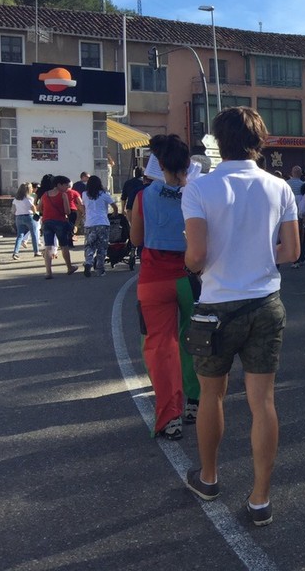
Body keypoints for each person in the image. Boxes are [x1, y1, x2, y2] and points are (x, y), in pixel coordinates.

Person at [181, 107, 299, 527]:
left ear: (217, 140)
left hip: (215, 306)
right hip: (265, 303)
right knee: (262, 401)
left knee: (211, 395)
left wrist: (198, 265)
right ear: (259, 139)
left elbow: (195, 257)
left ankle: (209, 477)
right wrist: (260, 261)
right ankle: (260, 498)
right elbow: (292, 252)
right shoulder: (279, 187)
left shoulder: (198, 189)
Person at [131, 136, 197, 439]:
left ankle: (170, 416)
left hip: (154, 279)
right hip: (190, 277)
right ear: (187, 164)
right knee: (194, 340)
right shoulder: (195, 195)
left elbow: (135, 240)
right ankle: (196, 400)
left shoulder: (144, 196)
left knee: (161, 347)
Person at [38, 176, 78, 279]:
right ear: (59, 184)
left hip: (46, 221)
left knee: (48, 246)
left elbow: (39, 208)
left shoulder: (45, 194)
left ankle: (48, 272)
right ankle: (69, 267)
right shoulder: (63, 195)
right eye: (66, 185)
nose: (67, 187)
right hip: (59, 221)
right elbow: (67, 211)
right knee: (64, 245)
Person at [81, 175, 118, 277]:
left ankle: (88, 262)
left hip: (89, 224)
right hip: (102, 223)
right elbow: (114, 206)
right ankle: (100, 269)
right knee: (102, 247)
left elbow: (83, 206)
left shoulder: (84, 194)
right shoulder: (104, 194)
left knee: (89, 245)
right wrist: (114, 214)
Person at [11, 183, 40, 260]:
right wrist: (36, 214)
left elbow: (13, 210)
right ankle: (36, 251)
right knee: (34, 234)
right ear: (28, 190)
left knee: (20, 236)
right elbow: (33, 207)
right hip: (29, 216)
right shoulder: (29, 198)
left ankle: (15, 253)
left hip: (19, 217)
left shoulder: (16, 199)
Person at [287, 166, 305, 269]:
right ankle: (301, 257)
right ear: (300, 174)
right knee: (300, 236)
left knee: (290, 236)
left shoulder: (286, 184)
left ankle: (293, 259)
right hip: (299, 215)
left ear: (291, 172)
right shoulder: (303, 184)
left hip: (288, 215)